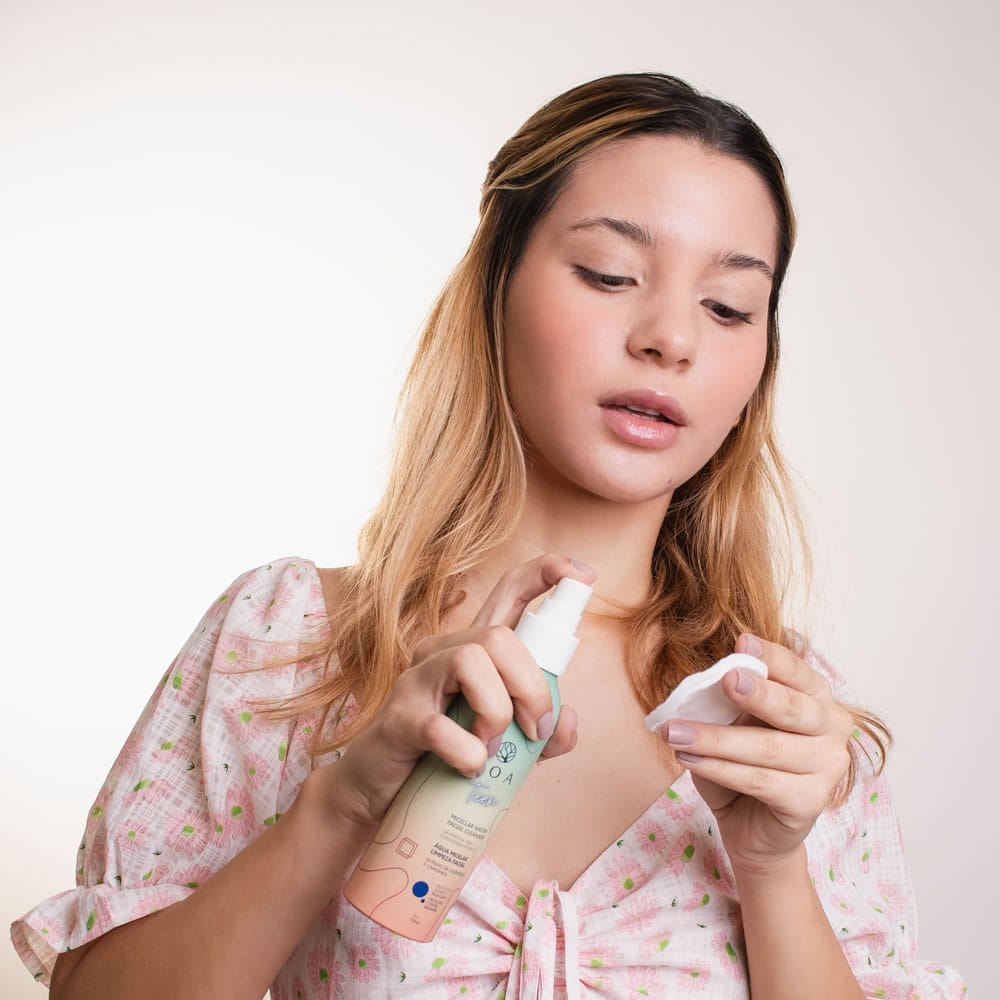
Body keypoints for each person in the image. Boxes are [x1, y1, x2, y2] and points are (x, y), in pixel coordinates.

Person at [12, 73, 965, 999]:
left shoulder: (785, 719)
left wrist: (771, 870)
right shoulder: (286, 640)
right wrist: (341, 805)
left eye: (728, 306)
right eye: (610, 273)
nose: (672, 337)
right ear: (495, 284)